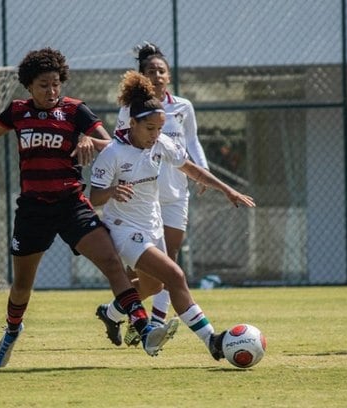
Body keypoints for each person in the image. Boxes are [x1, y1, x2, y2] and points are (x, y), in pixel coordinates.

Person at [0, 47, 178, 367]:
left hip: (72, 205)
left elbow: (112, 144)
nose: (52, 90)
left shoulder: (75, 111)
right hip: (33, 210)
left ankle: (143, 330)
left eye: (56, 83)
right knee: (21, 285)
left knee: (112, 264)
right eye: (44, 85)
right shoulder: (18, 112)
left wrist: (89, 141)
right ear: (29, 86)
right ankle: (12, 329)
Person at [90, 70, 255, 360]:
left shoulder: (161, 143)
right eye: (150, 129)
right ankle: (212, 342)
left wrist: (226, 189)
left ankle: (111, 312)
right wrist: (113, 191)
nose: (155, 135)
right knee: (176, 276)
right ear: (133, 123)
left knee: (155, 285)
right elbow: (93, 197)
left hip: (152, 223)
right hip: (123, 229)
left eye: (159, 128)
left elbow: (189, 167)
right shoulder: (113, 154)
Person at [97, 42, 211, 347]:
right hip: (138, 200)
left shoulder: (182, 107)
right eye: (151, 71)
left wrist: (207, 174)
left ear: (169, 76)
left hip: (173, 195)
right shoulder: (130, 114)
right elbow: (120, 147)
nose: (157, 75)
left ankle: (120, 312)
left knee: (164, 270)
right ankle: (156, 327)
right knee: (166, 271)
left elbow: (191, 144)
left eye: (162, 70)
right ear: (143, 77)